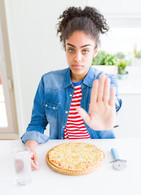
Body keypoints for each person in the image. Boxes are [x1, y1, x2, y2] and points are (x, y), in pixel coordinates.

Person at [21, 6, 122, 170]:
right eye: (71, 49)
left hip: (99, 157)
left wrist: (107, 122)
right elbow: (37, 123)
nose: (77, 58)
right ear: (65, 48)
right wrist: (30, 147)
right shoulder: (48, 81)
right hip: (62, 156)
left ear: (95, 51)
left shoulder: (106, 81)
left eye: (85, 50)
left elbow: (113, 105)